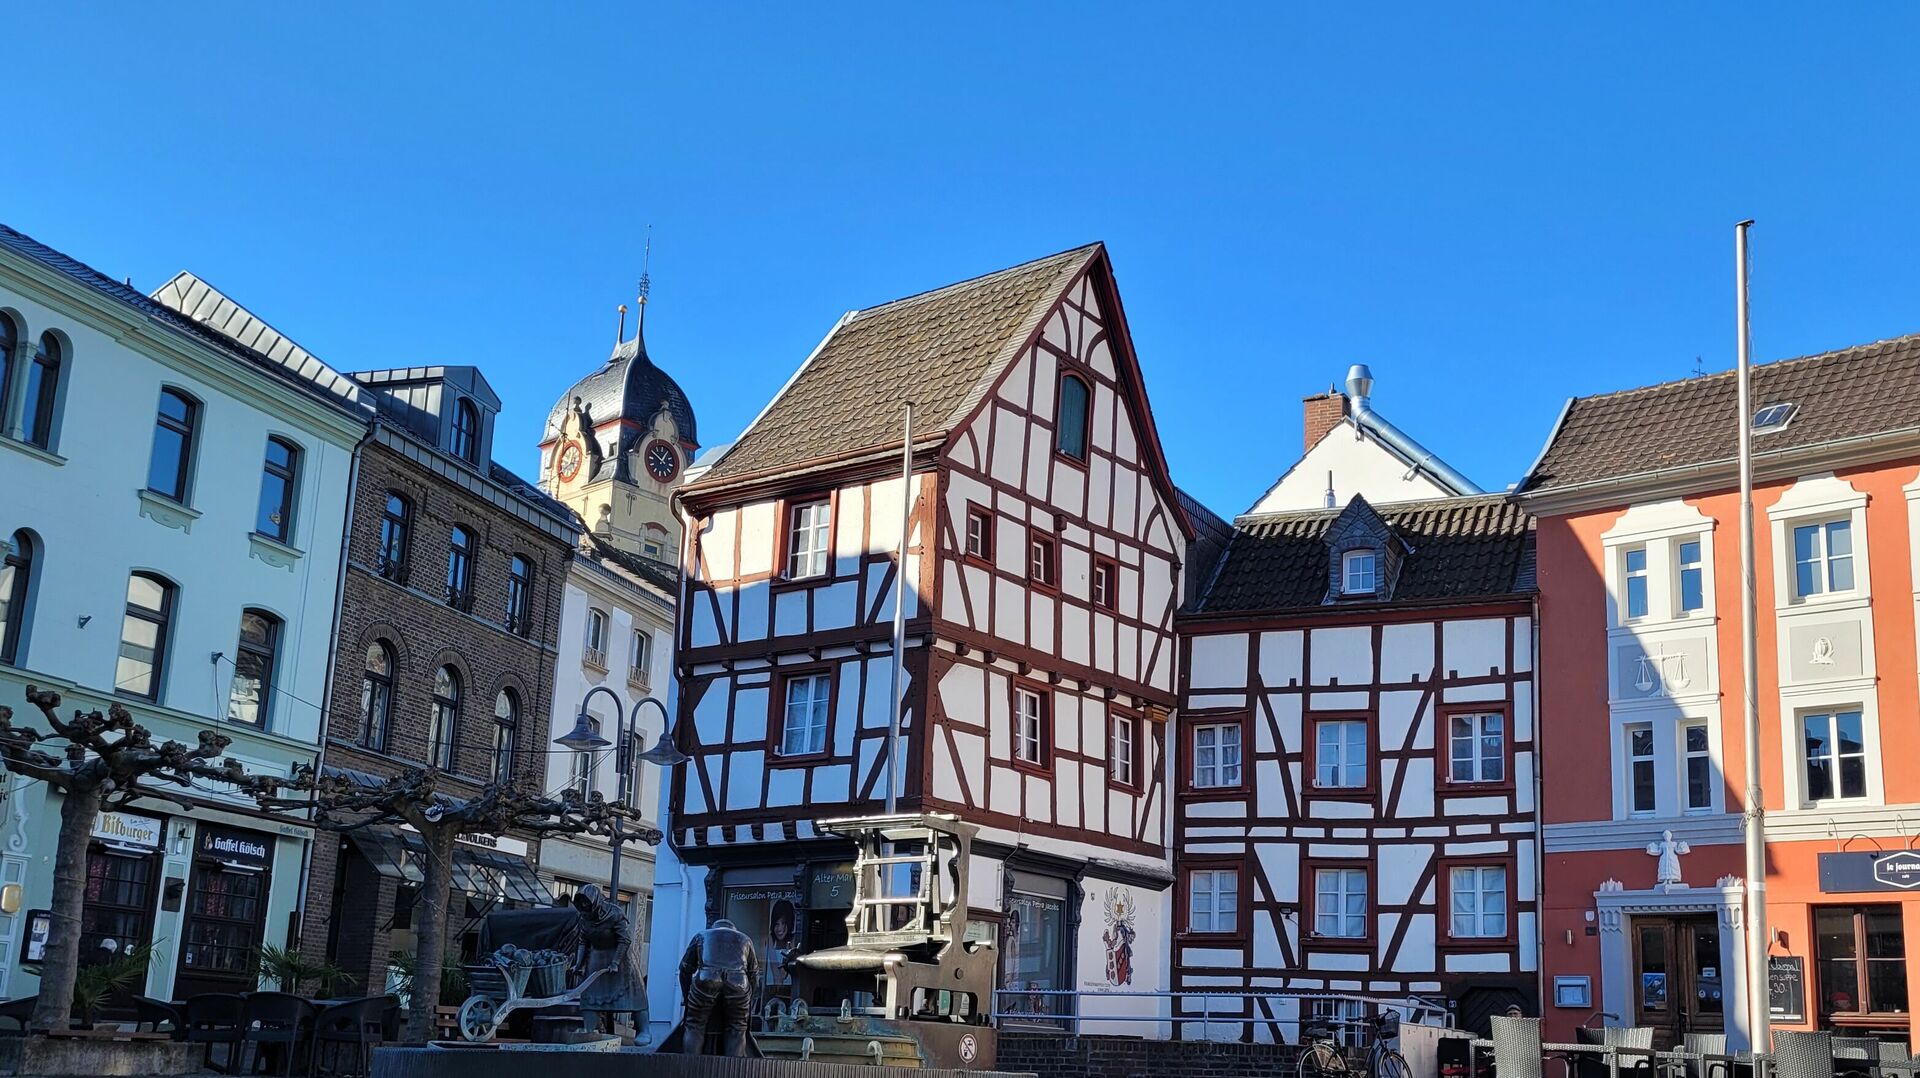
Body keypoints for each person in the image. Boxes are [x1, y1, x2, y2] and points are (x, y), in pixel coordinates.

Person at [571, 884, 647, 1036]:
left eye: (586, 902)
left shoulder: (615, 914)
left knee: (634, 995)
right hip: (597, 957)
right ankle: (588, 1029)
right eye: (581, 903)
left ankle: (644, 1031)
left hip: (620, 957)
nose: (584, 906)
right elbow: (582, 941)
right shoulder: (584, 918)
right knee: (590, 995)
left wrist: (615, 962)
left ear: (595, 900)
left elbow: (625, 940)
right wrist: (578, 964)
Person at [677, 918, 758, 1056]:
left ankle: (690, 1067)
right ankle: (733, 1070)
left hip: (707, 978)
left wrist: (687, 997)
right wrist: (750, 1000)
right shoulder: (745, 939)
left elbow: (685, 969)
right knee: (737, 1028)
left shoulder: (701, 935)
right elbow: (754, 975)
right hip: (738, 981)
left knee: (695, 1025)